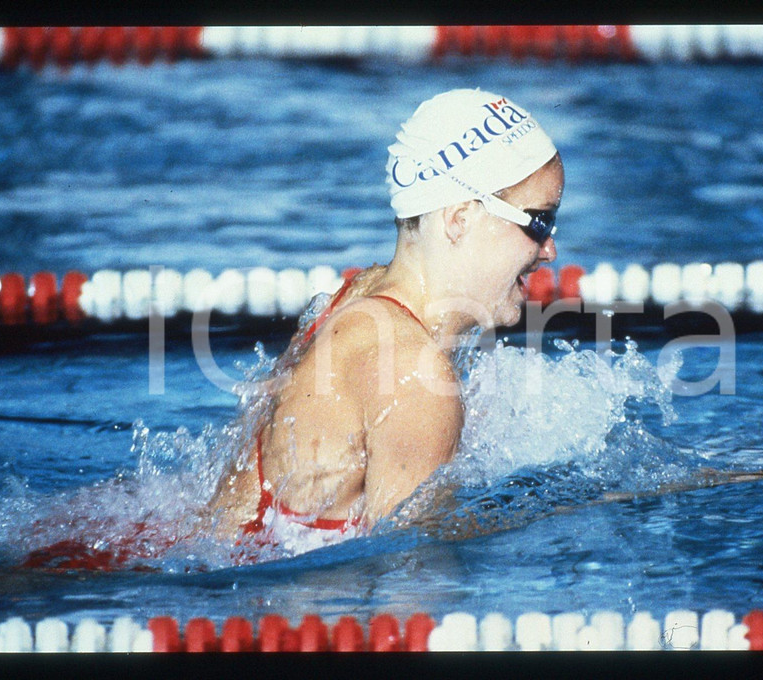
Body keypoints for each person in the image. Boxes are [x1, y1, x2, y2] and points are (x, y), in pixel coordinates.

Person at [210, 88, 565, 547]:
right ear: (459, 218)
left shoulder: (361, 293)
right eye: (538, 222)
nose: (550, 250)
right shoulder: (412, 374)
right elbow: (408, 567)